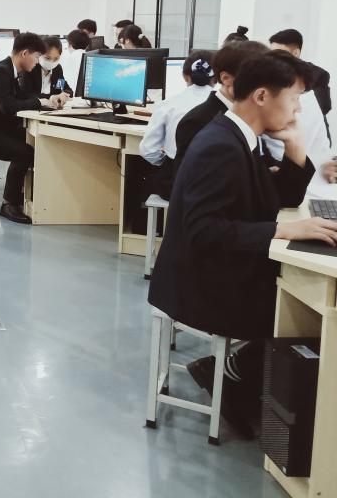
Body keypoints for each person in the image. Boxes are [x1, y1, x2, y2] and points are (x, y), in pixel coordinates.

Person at [148, 50, 337, 438]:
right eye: (294, 98)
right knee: (307, 308)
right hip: (201, 282)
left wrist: (296, 149)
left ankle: (237, 376)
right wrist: (283, 231)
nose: (298, 110)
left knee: (309, 298)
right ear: (262, 96)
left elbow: (275, 199)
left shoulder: (241, 136)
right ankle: (234, 375)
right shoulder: (221, 144)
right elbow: (203, 229)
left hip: (215, 267)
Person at [0, 33, 69, 224]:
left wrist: (47, 100)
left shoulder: (8, 69)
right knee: (24, 152)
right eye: (37, 56)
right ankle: (10, 203)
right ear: (25, 53)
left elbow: (20, 98)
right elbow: (8, 106)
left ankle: (26, 194)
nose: (37, 62)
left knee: (34, 142)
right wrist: (39, 102)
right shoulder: (1, 72)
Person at [174, 41, 268, 172]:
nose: (264, 86)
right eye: (255, 78)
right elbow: (189, 177)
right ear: (226, 79)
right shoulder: (198, 122)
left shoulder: (249, 116)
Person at [139, 49, 216, 198]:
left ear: (185, 76)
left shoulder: (167, 104)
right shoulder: (228, 108)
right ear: (216, 79)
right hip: (215, 188)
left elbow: (147, 150)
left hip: (176, 186)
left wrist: (169, 159)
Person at [269, 28, 332, 125]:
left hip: (309, 128)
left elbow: (323, 107)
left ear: (296, 53)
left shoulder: (318, 75)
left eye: (279, 53)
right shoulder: (268, 71)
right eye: (271, 53)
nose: (273, 58)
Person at [61, 29, 91, 95]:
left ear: (69, 44)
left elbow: (60, 81)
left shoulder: (65, 57)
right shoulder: (90, 58)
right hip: (86, 96)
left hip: (68, 96)